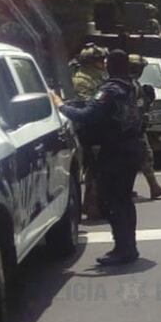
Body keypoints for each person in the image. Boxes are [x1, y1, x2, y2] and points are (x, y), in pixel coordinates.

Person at [58, 50, 143, 266]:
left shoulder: (110, 89)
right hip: (132, 148)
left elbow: (88, 116)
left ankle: (123, 249)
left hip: (115, 153)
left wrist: (60, 105)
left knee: (110, 201)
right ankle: (129, 246)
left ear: (108, 65)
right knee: (124, 200)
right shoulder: (131, 86)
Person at [129, 54, 161, 200]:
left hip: (137, 128)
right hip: (129, 130)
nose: (139, 70)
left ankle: (154, 187)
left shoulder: (134, 84)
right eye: (137, 68)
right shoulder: (127, 84)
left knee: (145, 157)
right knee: (138, 158)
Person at [71, 44, 107, 219]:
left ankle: (90, 203)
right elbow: (87, 104)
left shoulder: (99, 77)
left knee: (99, 168)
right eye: (99, 60)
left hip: (100, 128)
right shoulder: (81, 80)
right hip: (88, 129)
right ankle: (92, 205)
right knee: (93, 168)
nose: (103, 63)